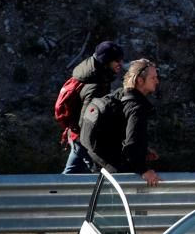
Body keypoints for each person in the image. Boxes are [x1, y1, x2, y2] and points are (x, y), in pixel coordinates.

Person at [86, 58, 162, 186]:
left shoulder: (121, 95)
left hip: (99, 162)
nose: (157, 81)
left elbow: (119, 132)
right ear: (139, 80)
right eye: (153, 78)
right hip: (114, 169)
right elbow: (131, 143)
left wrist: (144, 150)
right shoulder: (136, 107)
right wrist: (144, 170)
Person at [63, 41, 124, 175]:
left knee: (72, 172)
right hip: (84, 136)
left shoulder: (96, 74)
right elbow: (87, 118)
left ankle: (56, 193)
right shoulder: (95, 84)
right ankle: (55, 194)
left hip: (77, 134)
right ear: (106, 61)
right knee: (99, 172)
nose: (120, 63)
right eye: (116, 60)